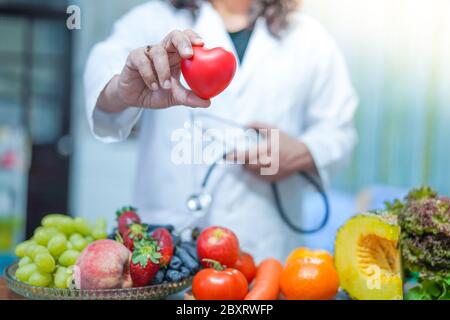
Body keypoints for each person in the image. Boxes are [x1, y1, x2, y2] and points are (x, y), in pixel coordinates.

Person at [84, 0, 357, 262]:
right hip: (170, 244)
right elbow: (103, 75)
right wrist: (121, 91)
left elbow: (340, 132)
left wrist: (301, 153)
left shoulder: (308, 37)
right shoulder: (149, 20)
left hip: (265, 248)